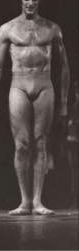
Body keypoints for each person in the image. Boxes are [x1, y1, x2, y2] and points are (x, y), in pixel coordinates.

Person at [0, 0, 70, 215]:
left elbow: (64, 68)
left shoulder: (52, 29)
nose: (30, 3)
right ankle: (24, 201)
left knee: (40, 142)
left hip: (43, 85)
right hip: (19, 85)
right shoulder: (7, 29)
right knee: (22, 144)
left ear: (39, 1)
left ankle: (38, 201)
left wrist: (63, 102)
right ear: (20, 1)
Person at [66, 80, 78, 209]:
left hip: (73, 142)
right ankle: (74, 201)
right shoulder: (71, 108)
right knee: (74, 173)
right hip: (73, 144)